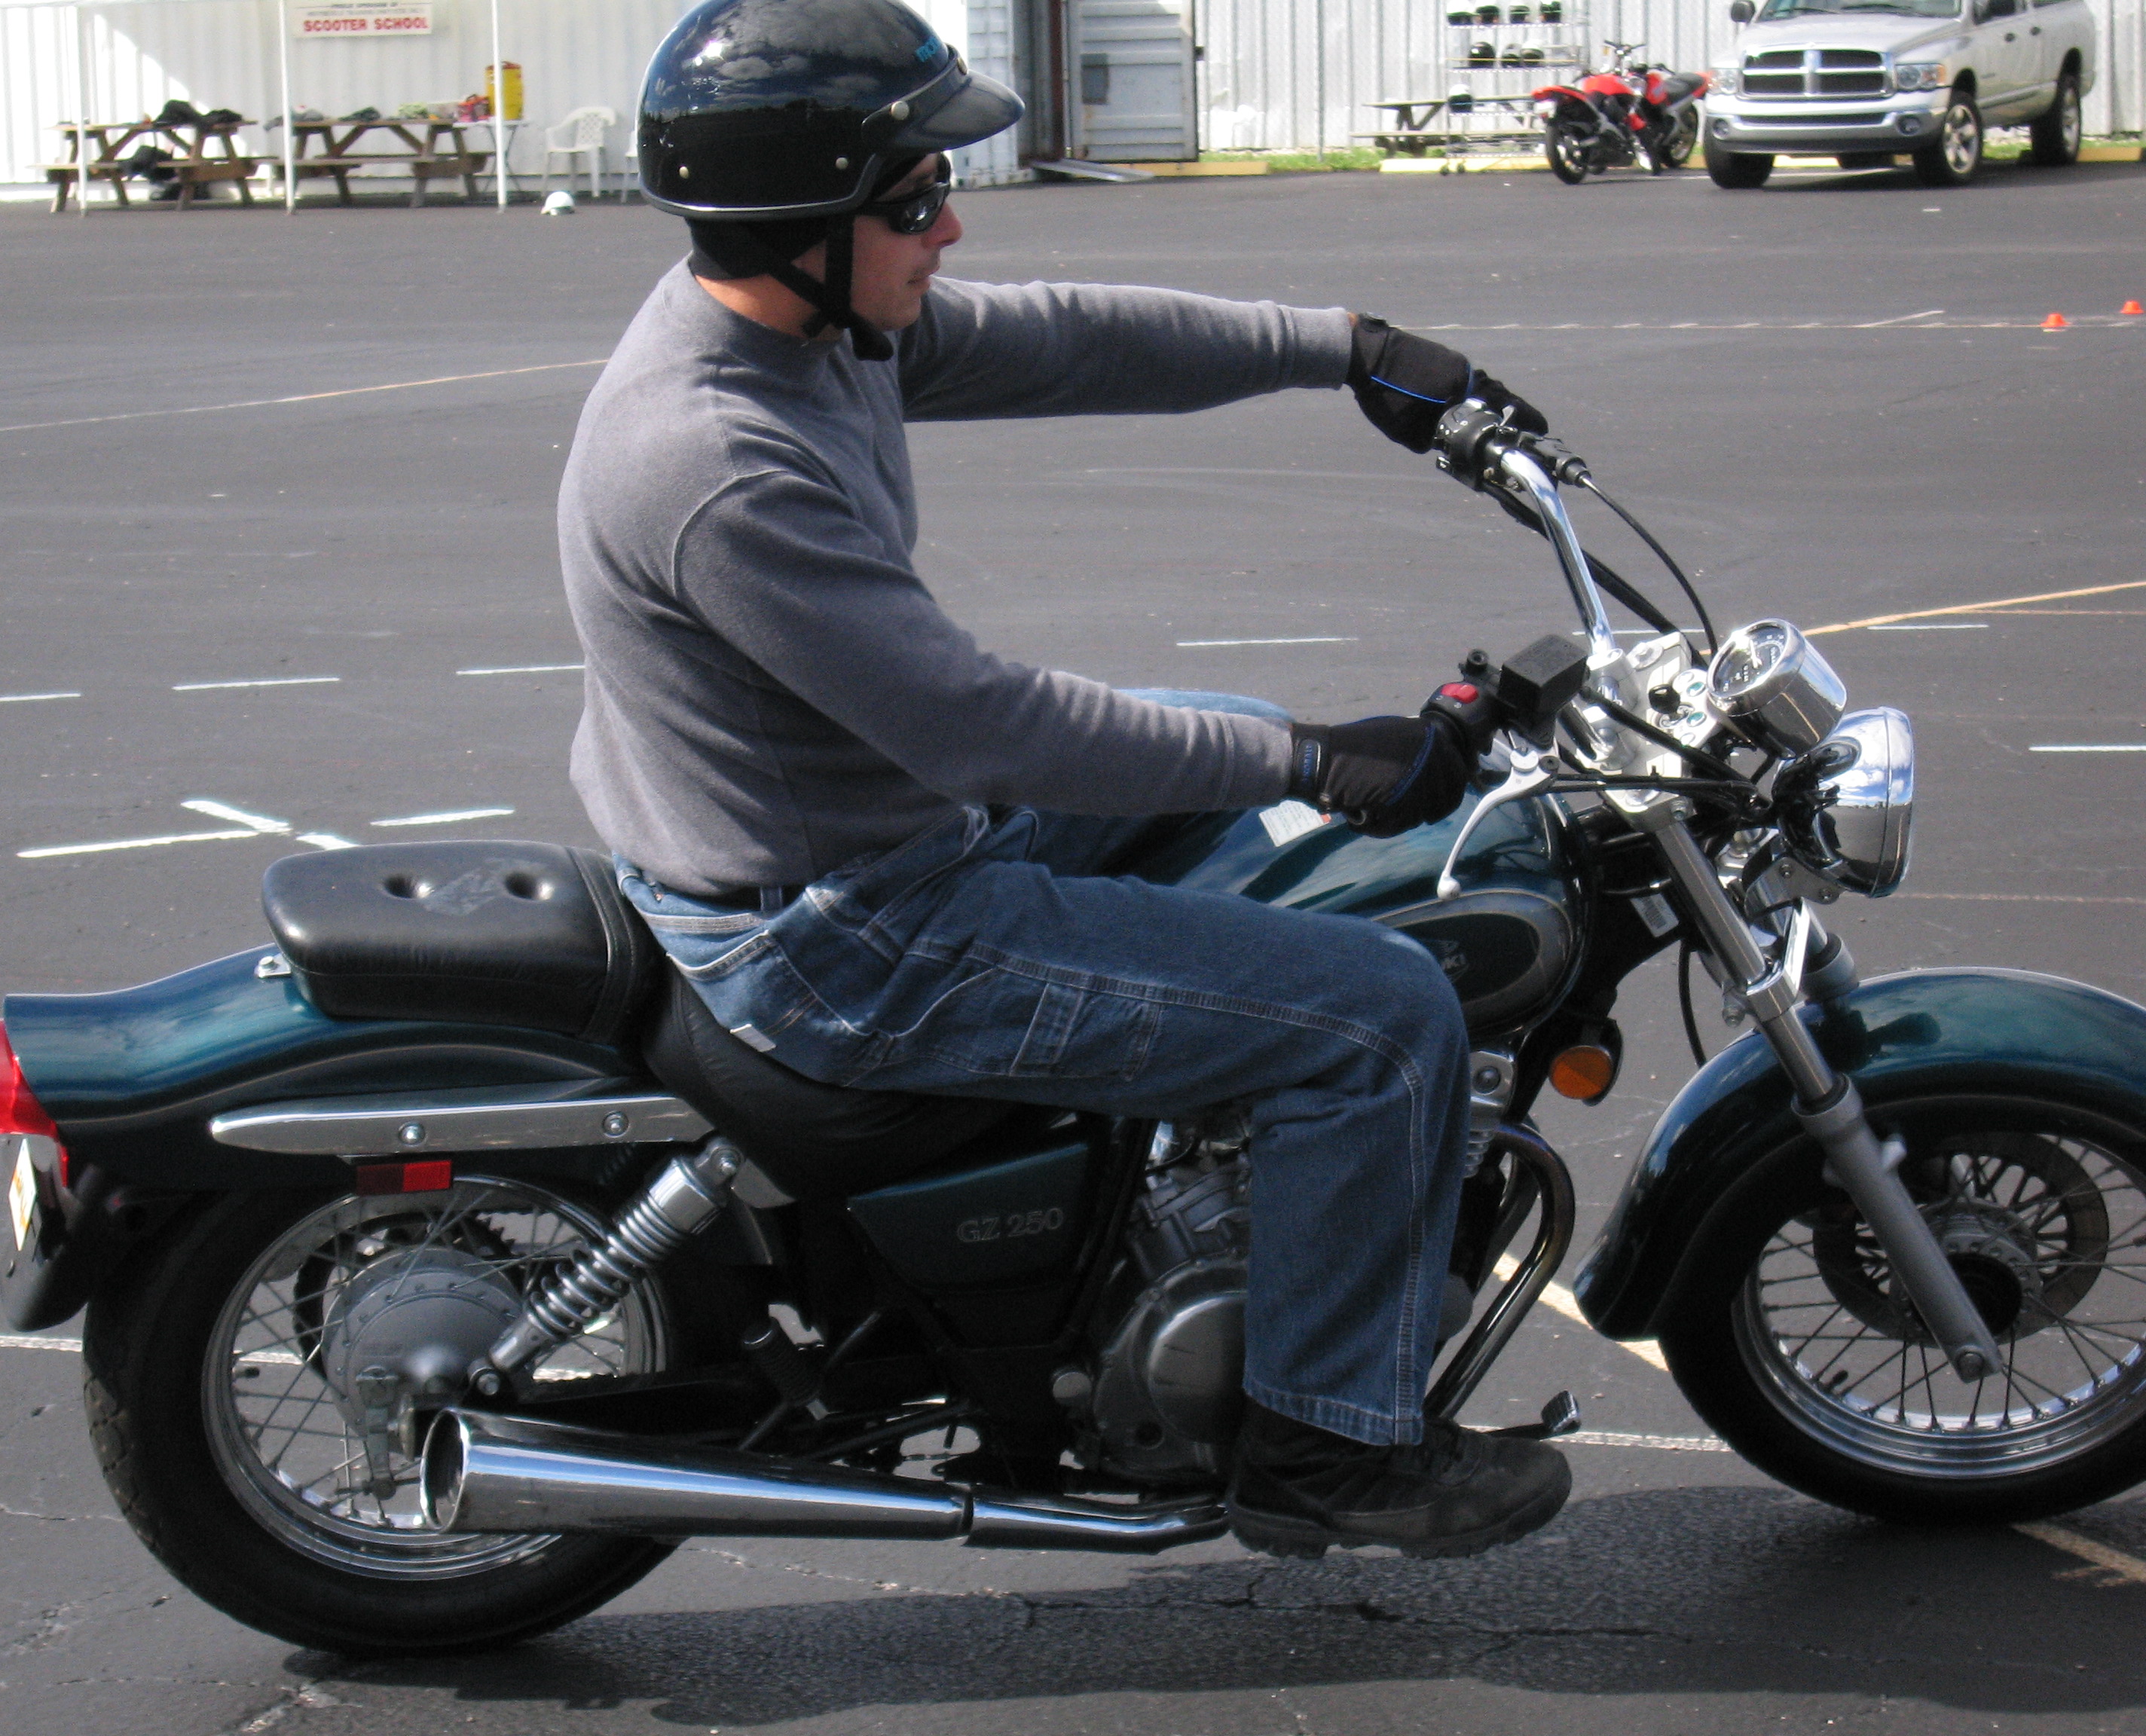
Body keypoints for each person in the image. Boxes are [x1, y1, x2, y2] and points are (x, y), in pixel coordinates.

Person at [559, 0, 1571, 1560]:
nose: (951, 228)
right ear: (806, 222)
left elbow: (1070, 337)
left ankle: (1176, 1185)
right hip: (841, 932)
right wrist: (1315, 759)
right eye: (916, 201)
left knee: (1223, 739)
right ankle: (1326, 1445)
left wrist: (1344, 349)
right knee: (1383, 1019)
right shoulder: (716, 460)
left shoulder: (806, 328)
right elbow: (984, 729)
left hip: (833, 833)